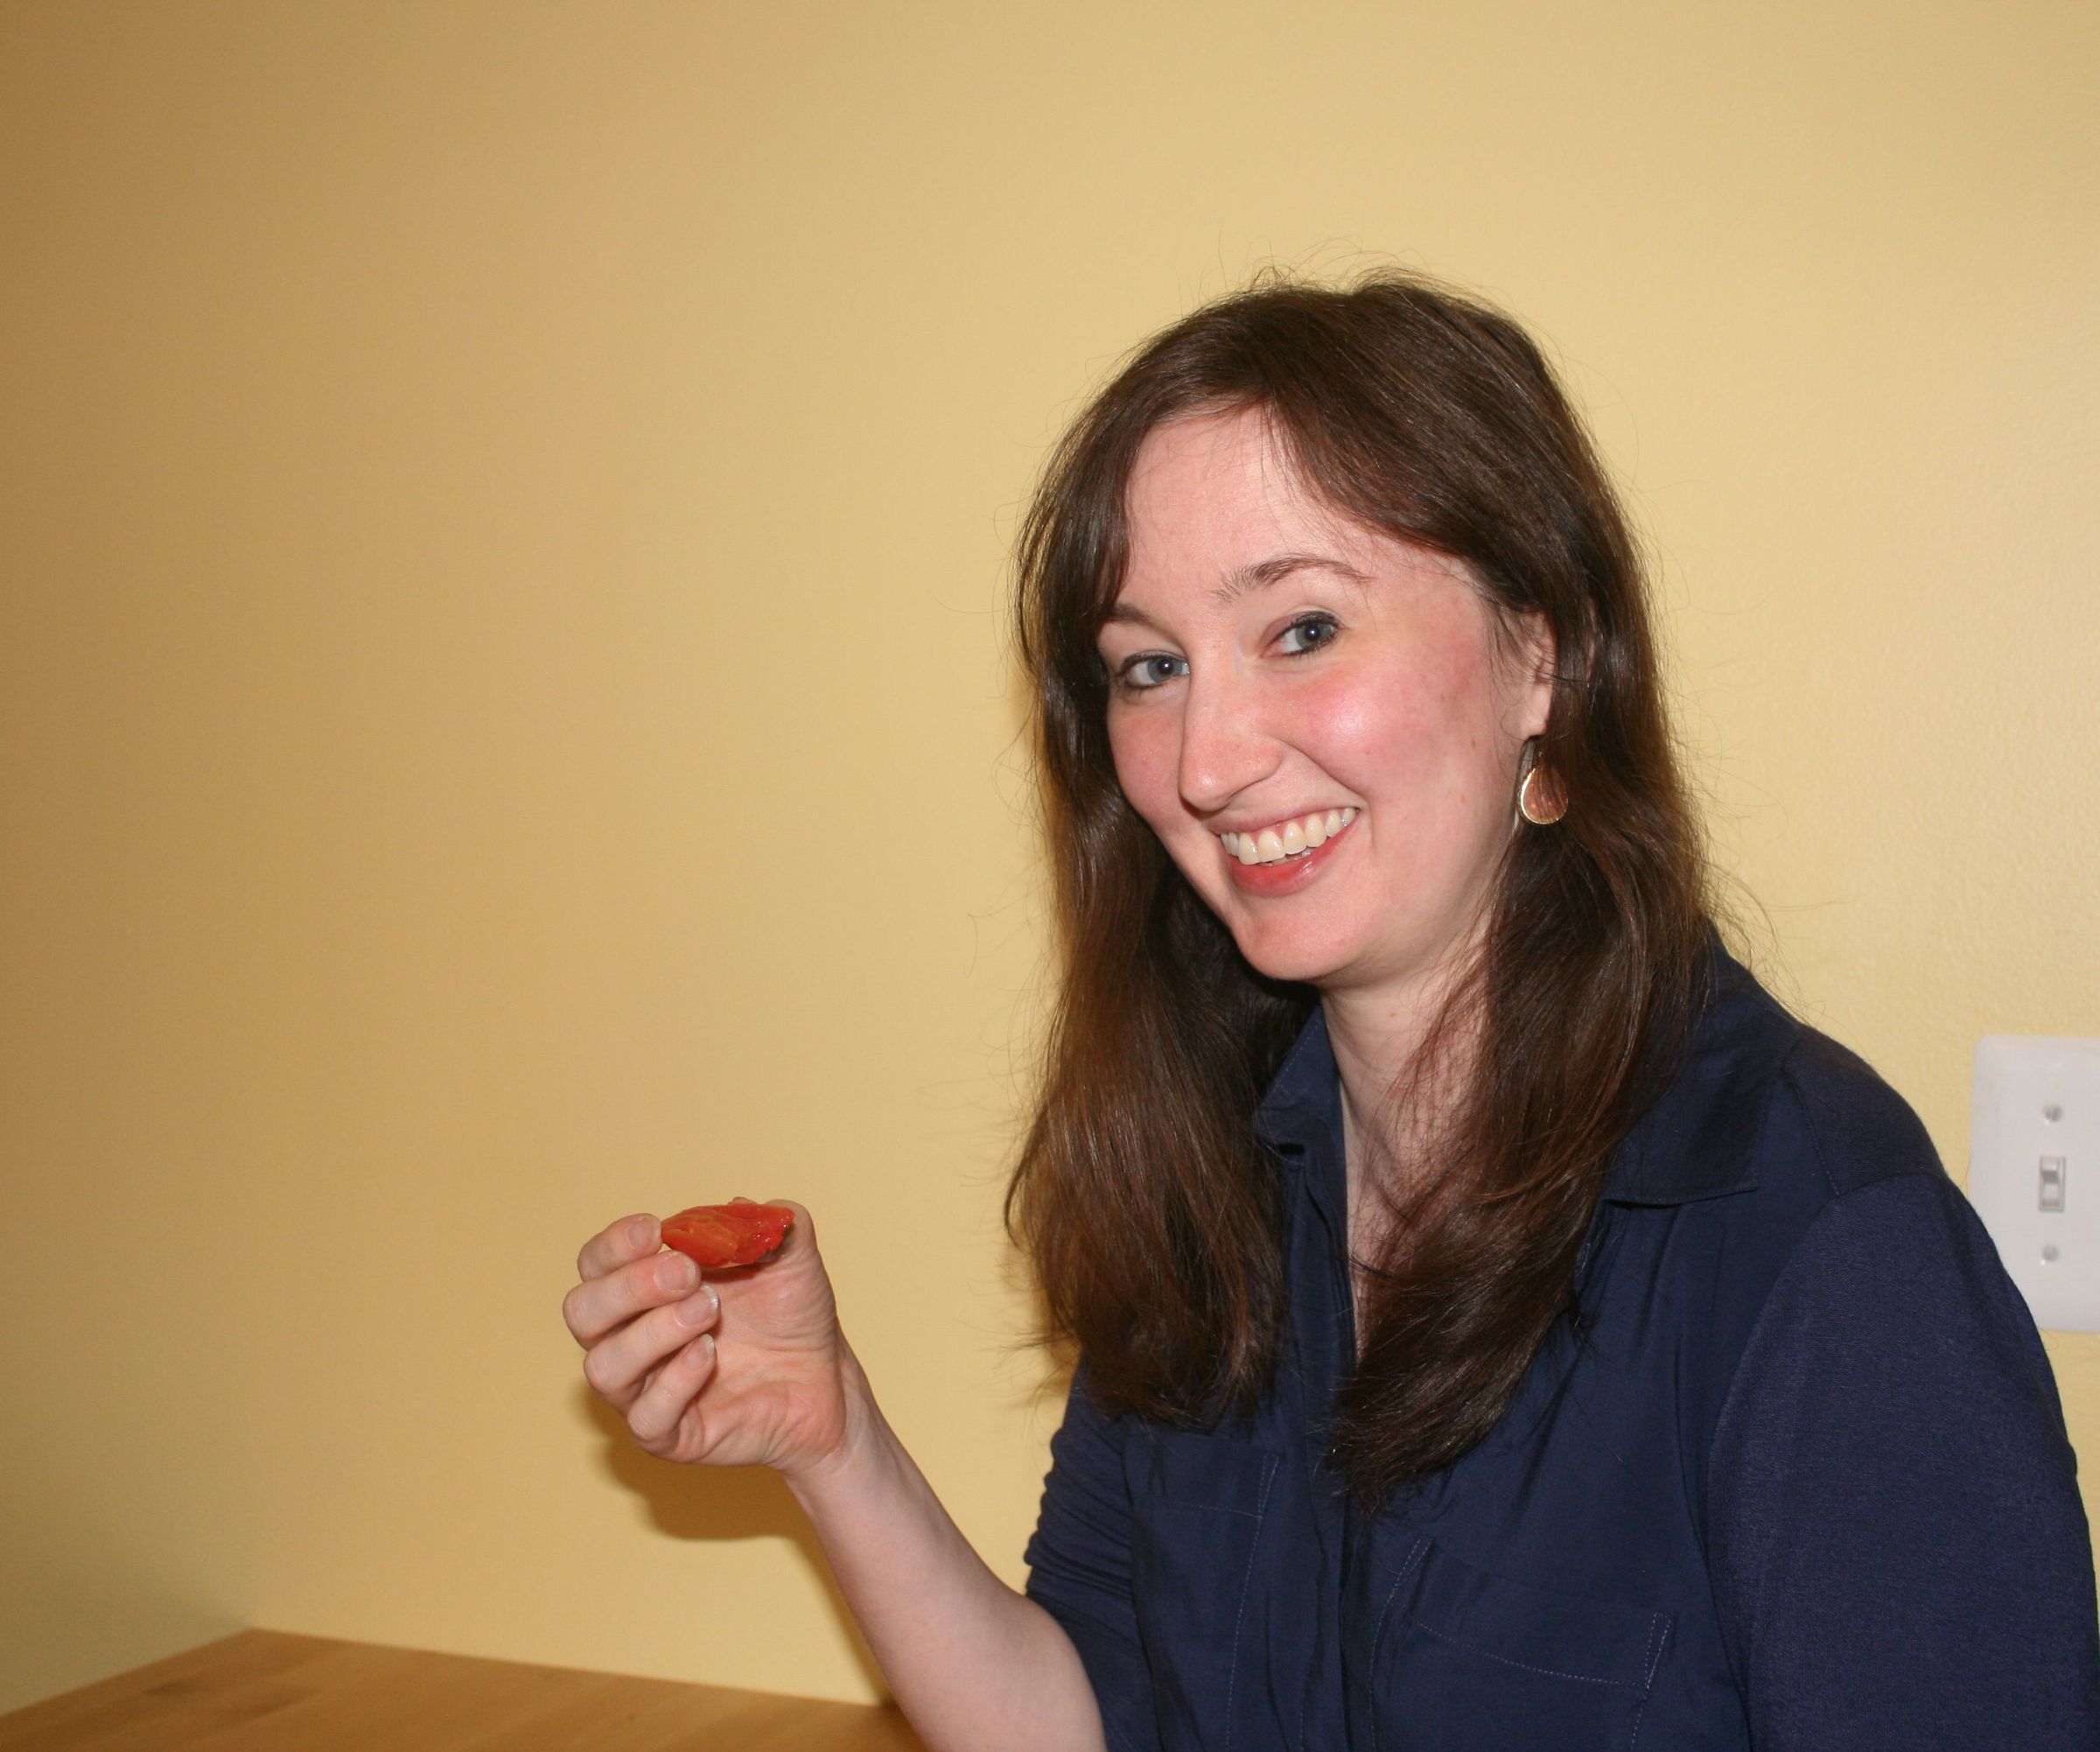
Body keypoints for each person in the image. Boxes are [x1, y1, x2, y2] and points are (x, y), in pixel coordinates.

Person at [562, 273, 2099, 1750]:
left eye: (1301, 628)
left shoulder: (1820, 1234)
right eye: (1148, 666)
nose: (1207, 756)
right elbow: (1091, 1718)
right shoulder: (1207, 1182)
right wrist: (837, 1445)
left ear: (1540, 650)